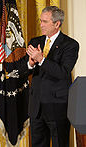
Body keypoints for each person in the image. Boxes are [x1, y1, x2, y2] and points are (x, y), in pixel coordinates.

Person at [26, 6, 79, 147]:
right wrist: (30, 63)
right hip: (36, 107)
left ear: (57, 24)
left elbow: (63, 72)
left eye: (45, 21)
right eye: (40, 21)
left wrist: (41, 60)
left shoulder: (70, 45)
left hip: (57, 107)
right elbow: (23, 72)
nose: (41, 25)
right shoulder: (35, 42)